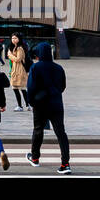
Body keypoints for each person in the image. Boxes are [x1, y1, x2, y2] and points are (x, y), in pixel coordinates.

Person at [25, 42, 71, 174]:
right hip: (56, 103)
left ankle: (35, 158)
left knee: (38, 130)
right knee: (61, 133)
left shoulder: (35, 67)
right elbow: (62, 86)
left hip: (40, 104)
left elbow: (31, 87)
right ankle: (65, 163)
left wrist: (31, 101)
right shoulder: (58, 67)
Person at [6, 33, 30, 110]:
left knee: (22, 88)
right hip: (14, 70)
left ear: (19, 39)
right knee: (15, 88)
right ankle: (20, 106)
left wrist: (10, 55)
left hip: (20, 70)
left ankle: (27, 105)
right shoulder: (13, 47)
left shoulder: (20, 48)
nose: (14, 40)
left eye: (15, 38)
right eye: (12, 38)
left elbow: (18, 59)